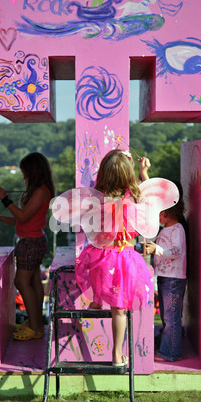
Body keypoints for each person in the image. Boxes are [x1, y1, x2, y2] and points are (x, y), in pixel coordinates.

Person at [75, 149, 153, 367]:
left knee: (97, 275)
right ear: (128, 174)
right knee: (119, 309)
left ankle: (96, 301)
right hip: (124, 258)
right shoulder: (134, 197)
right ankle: (117, 355)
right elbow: (147, 199)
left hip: (100, 255)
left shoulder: (97, 198)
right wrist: (144, 173)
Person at [0, 152, 55, 341]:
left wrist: (5, 199)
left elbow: (23, 216)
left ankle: (35, 327)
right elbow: (23, 221)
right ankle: (36, 323)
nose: (24, 176)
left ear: (33, 171)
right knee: (34, 282)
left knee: (21, 282)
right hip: (33, 241)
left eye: (25, 172)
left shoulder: (41, 191)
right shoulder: (40, 190)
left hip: (30, 243)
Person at [145, 190, 187, 362]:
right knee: (167, 316)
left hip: (173, 279)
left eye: (160, 212)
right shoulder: (167, 229)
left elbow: (176, 251)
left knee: (171, 317)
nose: (158, 216)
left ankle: (170, 352)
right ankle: (167, 349)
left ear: (168, 213)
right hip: (166, 278)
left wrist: (157, 249)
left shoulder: (177, 229)